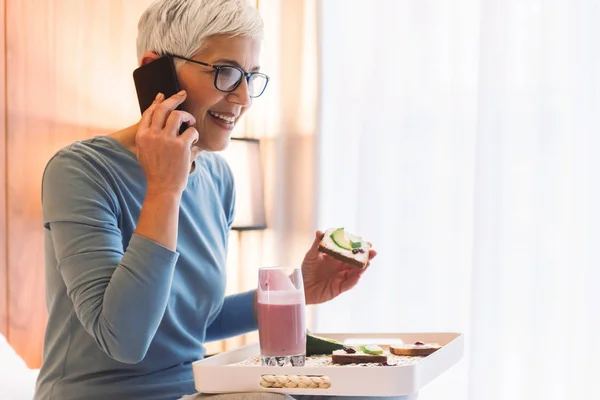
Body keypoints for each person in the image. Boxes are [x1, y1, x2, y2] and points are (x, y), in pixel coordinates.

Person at [33, 0, 377, 399]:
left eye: (252, 76)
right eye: (226, 73)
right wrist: (165, 188)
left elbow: (190, 323)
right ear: (154, 71)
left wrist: (292, 292)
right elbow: (124, 339)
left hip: (194, 388)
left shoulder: (217, 176)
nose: (244, 98)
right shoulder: (80, 171)